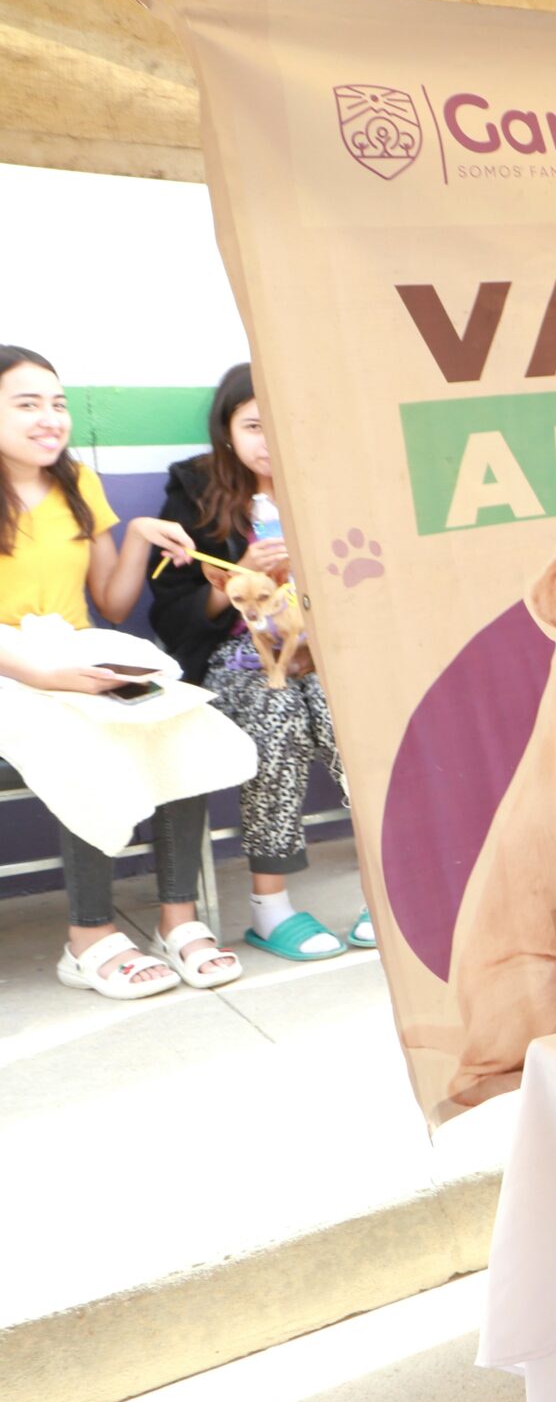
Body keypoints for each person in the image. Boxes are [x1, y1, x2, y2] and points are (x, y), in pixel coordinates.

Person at [0, 346, 243, 999]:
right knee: (86, 734)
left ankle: (178, 918)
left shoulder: (77, 485)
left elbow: (109, 602)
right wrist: (49, 676)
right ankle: (88, 937)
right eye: (28, 404)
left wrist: (136, 533)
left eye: (57, 404)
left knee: (178, 722)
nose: (51, 418)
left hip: (73, 650)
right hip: (11, 670)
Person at [151, 365, 367, 958]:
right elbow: (171, 615)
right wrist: (241, 575)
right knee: (278, 717)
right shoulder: (193, 492)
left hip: (326, 649)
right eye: (252, 424)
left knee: (351, 717)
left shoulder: (330, 484)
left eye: (281, 423)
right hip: (238, 653)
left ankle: (389, 886)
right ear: (226, 430)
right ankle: (270, 905)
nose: (268, 440)